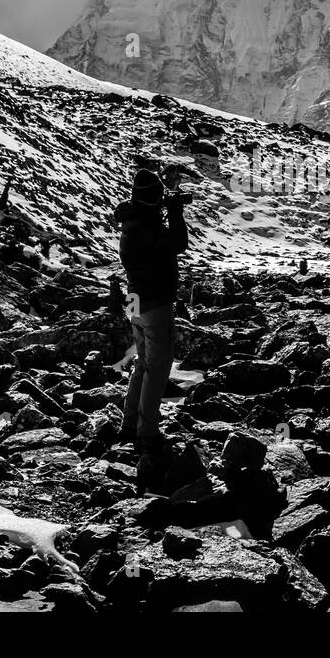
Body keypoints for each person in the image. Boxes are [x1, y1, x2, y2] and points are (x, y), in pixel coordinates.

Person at [112, 167, 190, 456]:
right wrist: (176, 212)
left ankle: (130, 424)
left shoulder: (131, 223)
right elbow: (178, 243)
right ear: (153, 199)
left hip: (135, 299)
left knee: (142, 364)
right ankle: (147, 432)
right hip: (154, 301)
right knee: (156, 368)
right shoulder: (149, 226)